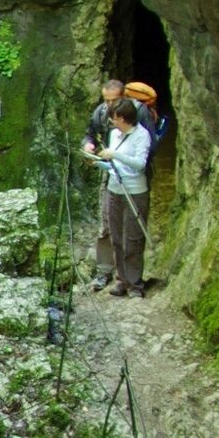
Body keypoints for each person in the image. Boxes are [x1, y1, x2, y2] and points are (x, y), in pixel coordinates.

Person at [85, 98, 151, 297]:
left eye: (114, 118)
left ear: (123, 118)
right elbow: (115, 166)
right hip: (114, 190)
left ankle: (135, 284)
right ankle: (122, 280)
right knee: (116, 237)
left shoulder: (142, 135)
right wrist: (98, 162)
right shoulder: (114, 134)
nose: (111, 122)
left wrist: (115, 155)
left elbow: (140, 164)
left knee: (133, 238)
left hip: (134, 192)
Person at [83, 79, 124, 288]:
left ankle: (127, 277)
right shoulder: (100, 113)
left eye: (113, 100)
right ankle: (104, 270)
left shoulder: (136, 114)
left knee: (129, 225)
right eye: (106, 100)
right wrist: (88, 145)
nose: (109, 105)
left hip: (130, 175)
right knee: (105, 223)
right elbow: (89, 134)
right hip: (108, 173)